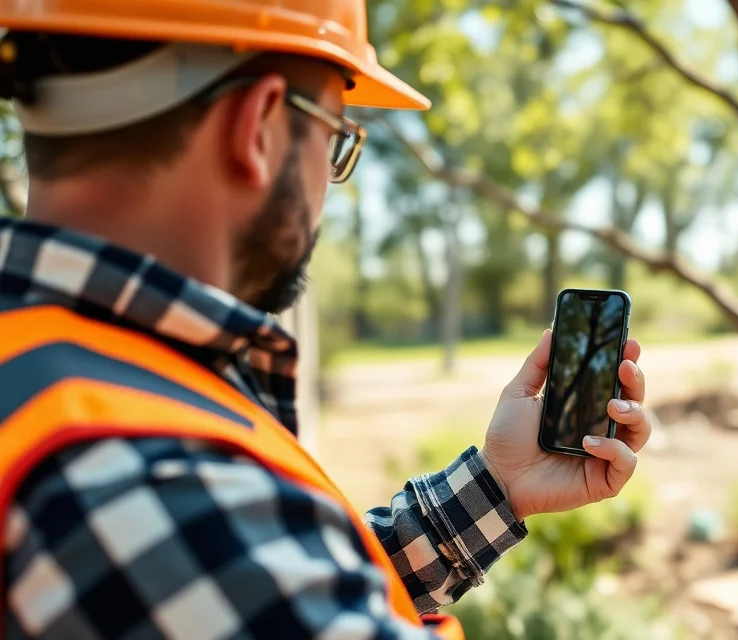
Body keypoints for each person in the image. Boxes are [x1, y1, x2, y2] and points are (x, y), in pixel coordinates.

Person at [0, 2, 651, 638]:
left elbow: (256, 578)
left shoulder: (55, 382)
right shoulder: (145, 477)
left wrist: (498, 486)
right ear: (254, 127)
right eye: (336, 137)